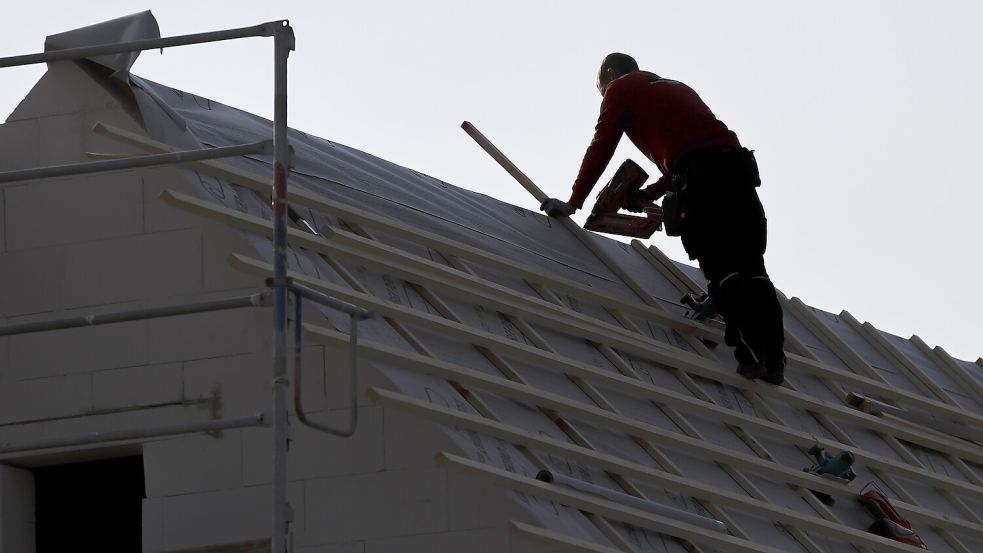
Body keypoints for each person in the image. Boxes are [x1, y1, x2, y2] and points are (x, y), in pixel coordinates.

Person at [541, 52, 786, 384]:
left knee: (721, 266)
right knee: (751, 267)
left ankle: (751, 356)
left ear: (612, 74)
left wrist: (574, 201)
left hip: (700, 175)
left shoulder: (620, 88)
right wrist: (650, 194)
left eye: (602, 91)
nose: (605, 98)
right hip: (736, 169)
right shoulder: (673, 87)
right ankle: (774, 362)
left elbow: (603, 143)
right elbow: (692, 150)